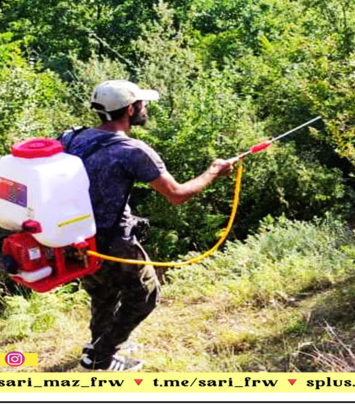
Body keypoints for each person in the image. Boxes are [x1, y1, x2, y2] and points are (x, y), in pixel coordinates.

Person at [58, 79, 232, 372]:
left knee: (103, 292)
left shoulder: (70, 138)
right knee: (145, 295)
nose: (146, 108)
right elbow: (176, 195)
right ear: (129, 109)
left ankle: (99, 346)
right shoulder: (132, 150)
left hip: (76, 238)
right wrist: (213, 171)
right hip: (114, 240)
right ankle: (101, 356)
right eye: (142, 104)